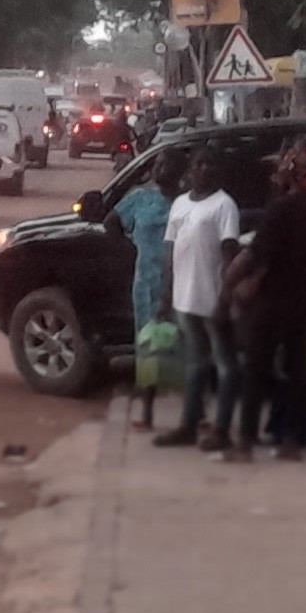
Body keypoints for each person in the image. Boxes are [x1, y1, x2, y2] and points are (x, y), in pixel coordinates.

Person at [227, 142, 306, 462]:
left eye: (281, 168)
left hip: (275, 295)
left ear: (290, 174)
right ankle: (293, 441)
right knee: (298, 366)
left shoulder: (281, 209)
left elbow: (257, 254)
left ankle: (245, 443)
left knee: (256, 367)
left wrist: (231, 286)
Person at [153, 152, 242, 451]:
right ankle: (189, 425)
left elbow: (230, 256)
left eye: (211, 164)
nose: (205, 168)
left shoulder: (224, 205)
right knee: (194, 365)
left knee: (225, 365)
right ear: (191, 169)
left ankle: (221, 429)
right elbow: (170, 252)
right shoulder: (179, 204)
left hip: (213, 300)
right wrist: (165, 295)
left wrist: (225, 300)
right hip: (184, 300)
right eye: (200, 163)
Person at [113, 153, 183, 428]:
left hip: (181, 283)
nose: (159, 168)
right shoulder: (139, 198)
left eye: (166, 164)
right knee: (148, 348)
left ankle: (193, 412)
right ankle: (147, 411)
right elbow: (112, 221)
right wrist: (129, 247)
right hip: (146, 284)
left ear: (179, 172)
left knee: (186, 347)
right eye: (157, 164)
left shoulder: (185, 203)